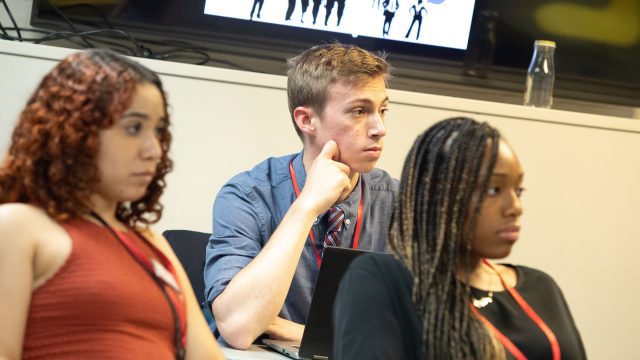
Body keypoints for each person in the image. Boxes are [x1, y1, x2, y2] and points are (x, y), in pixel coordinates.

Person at [0, 50, 224, 360]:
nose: (154, 150)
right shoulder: (19, 226)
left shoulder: (151, 242)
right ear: (75, 131)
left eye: (158, 130)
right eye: (134, 128)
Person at [333, 117, 586, 359]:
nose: (515, 206)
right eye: (493, 189)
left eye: (518, 190)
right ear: (439, 196)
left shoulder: (542, 287)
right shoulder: (384, 280)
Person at [204, 42, 397, 349]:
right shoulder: (247, 195)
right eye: (359, 111)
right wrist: (306, 207)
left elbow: (423, 331)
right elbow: (239, 328)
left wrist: (296, 332)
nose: (379, 128)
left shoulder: (402, 203)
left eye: (383, 110)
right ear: (306, 120)